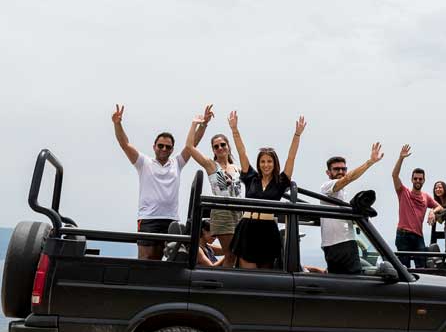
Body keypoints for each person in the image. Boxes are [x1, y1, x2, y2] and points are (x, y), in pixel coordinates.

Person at [112, 103, 208, 260]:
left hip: (171, 220)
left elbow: (193, 144)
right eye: (160, 146)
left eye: (167, 147)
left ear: (172, 149)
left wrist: (203, 125)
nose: (164, 149)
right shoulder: (144, 162)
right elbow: (125, 144)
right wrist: (117, 124)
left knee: (174, 261)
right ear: (154, 147)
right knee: (147, 259)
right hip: (149, 218)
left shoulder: (177, 162)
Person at [229, 113, 307, 269]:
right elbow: (242, 153)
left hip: (267, 231)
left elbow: (291, 158)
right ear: (258, 164)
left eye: (269, 161)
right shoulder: (251, 177)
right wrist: (234, 130)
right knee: (248, 276)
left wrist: (297, 135)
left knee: (265, 278)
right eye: (263, 161)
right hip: (247, 228)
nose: (266, 165)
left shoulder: (280, 182)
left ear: (274, 163)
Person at [183, 106, 242, 267]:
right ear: (213, 151)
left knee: (239, 254)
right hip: (222, 212)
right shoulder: (211, 165)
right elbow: (189, 147)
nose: (220, 148)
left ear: (228, 146)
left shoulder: (238, 168)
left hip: (239, 212)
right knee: (230, 254)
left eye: (223, 144)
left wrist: (234, 129)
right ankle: (222, 285)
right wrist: (196, 124)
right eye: (216, 146)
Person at [320, 143, 384, 274]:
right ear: (328, 172)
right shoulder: (327, 187)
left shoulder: (342, 194)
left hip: (343, 243)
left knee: (340, 285)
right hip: (340, 245)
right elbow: (348, 178)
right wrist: (370, 162)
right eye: (336, 169)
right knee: (357, 283)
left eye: (343, 169)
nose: (341, 172)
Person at [391, 145, 440, 269]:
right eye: (415, 178)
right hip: (403, 235)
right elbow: (395, 175)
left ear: (424, 180)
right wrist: (401, 158)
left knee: (422, 266)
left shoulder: (426, 197)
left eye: (420, 179)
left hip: (418, 235)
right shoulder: (403, 192)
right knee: (404, 267)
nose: (418, 180)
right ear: (412, 179)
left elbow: (440, 206)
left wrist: (433, 211)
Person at [425, 180, 446, 246]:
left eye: (440, 187)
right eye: (436, 188)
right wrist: (432, 212)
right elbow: (440, 220)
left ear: (444, 189)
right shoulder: (435, 205)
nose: (438, 189)